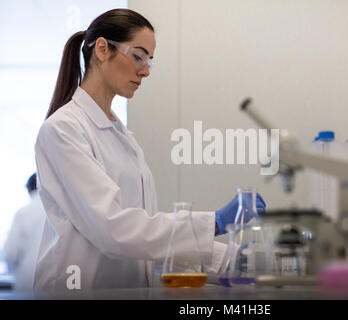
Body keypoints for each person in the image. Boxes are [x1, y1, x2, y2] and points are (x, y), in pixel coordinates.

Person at [34, 8, 266, 293]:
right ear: (103, 49)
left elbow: (145, 238)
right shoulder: (63, 130)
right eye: (138, 56)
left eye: (149, 61)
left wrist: (232, 259)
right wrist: (213, 223)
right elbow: (114, 229)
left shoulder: (122, 136)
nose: (145, 70)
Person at [3, 173, 46, 292]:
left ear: (29, 188)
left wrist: (11, 268)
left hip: (27, 281)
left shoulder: (23, 212)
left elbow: (10, 252)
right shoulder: (61, 211)